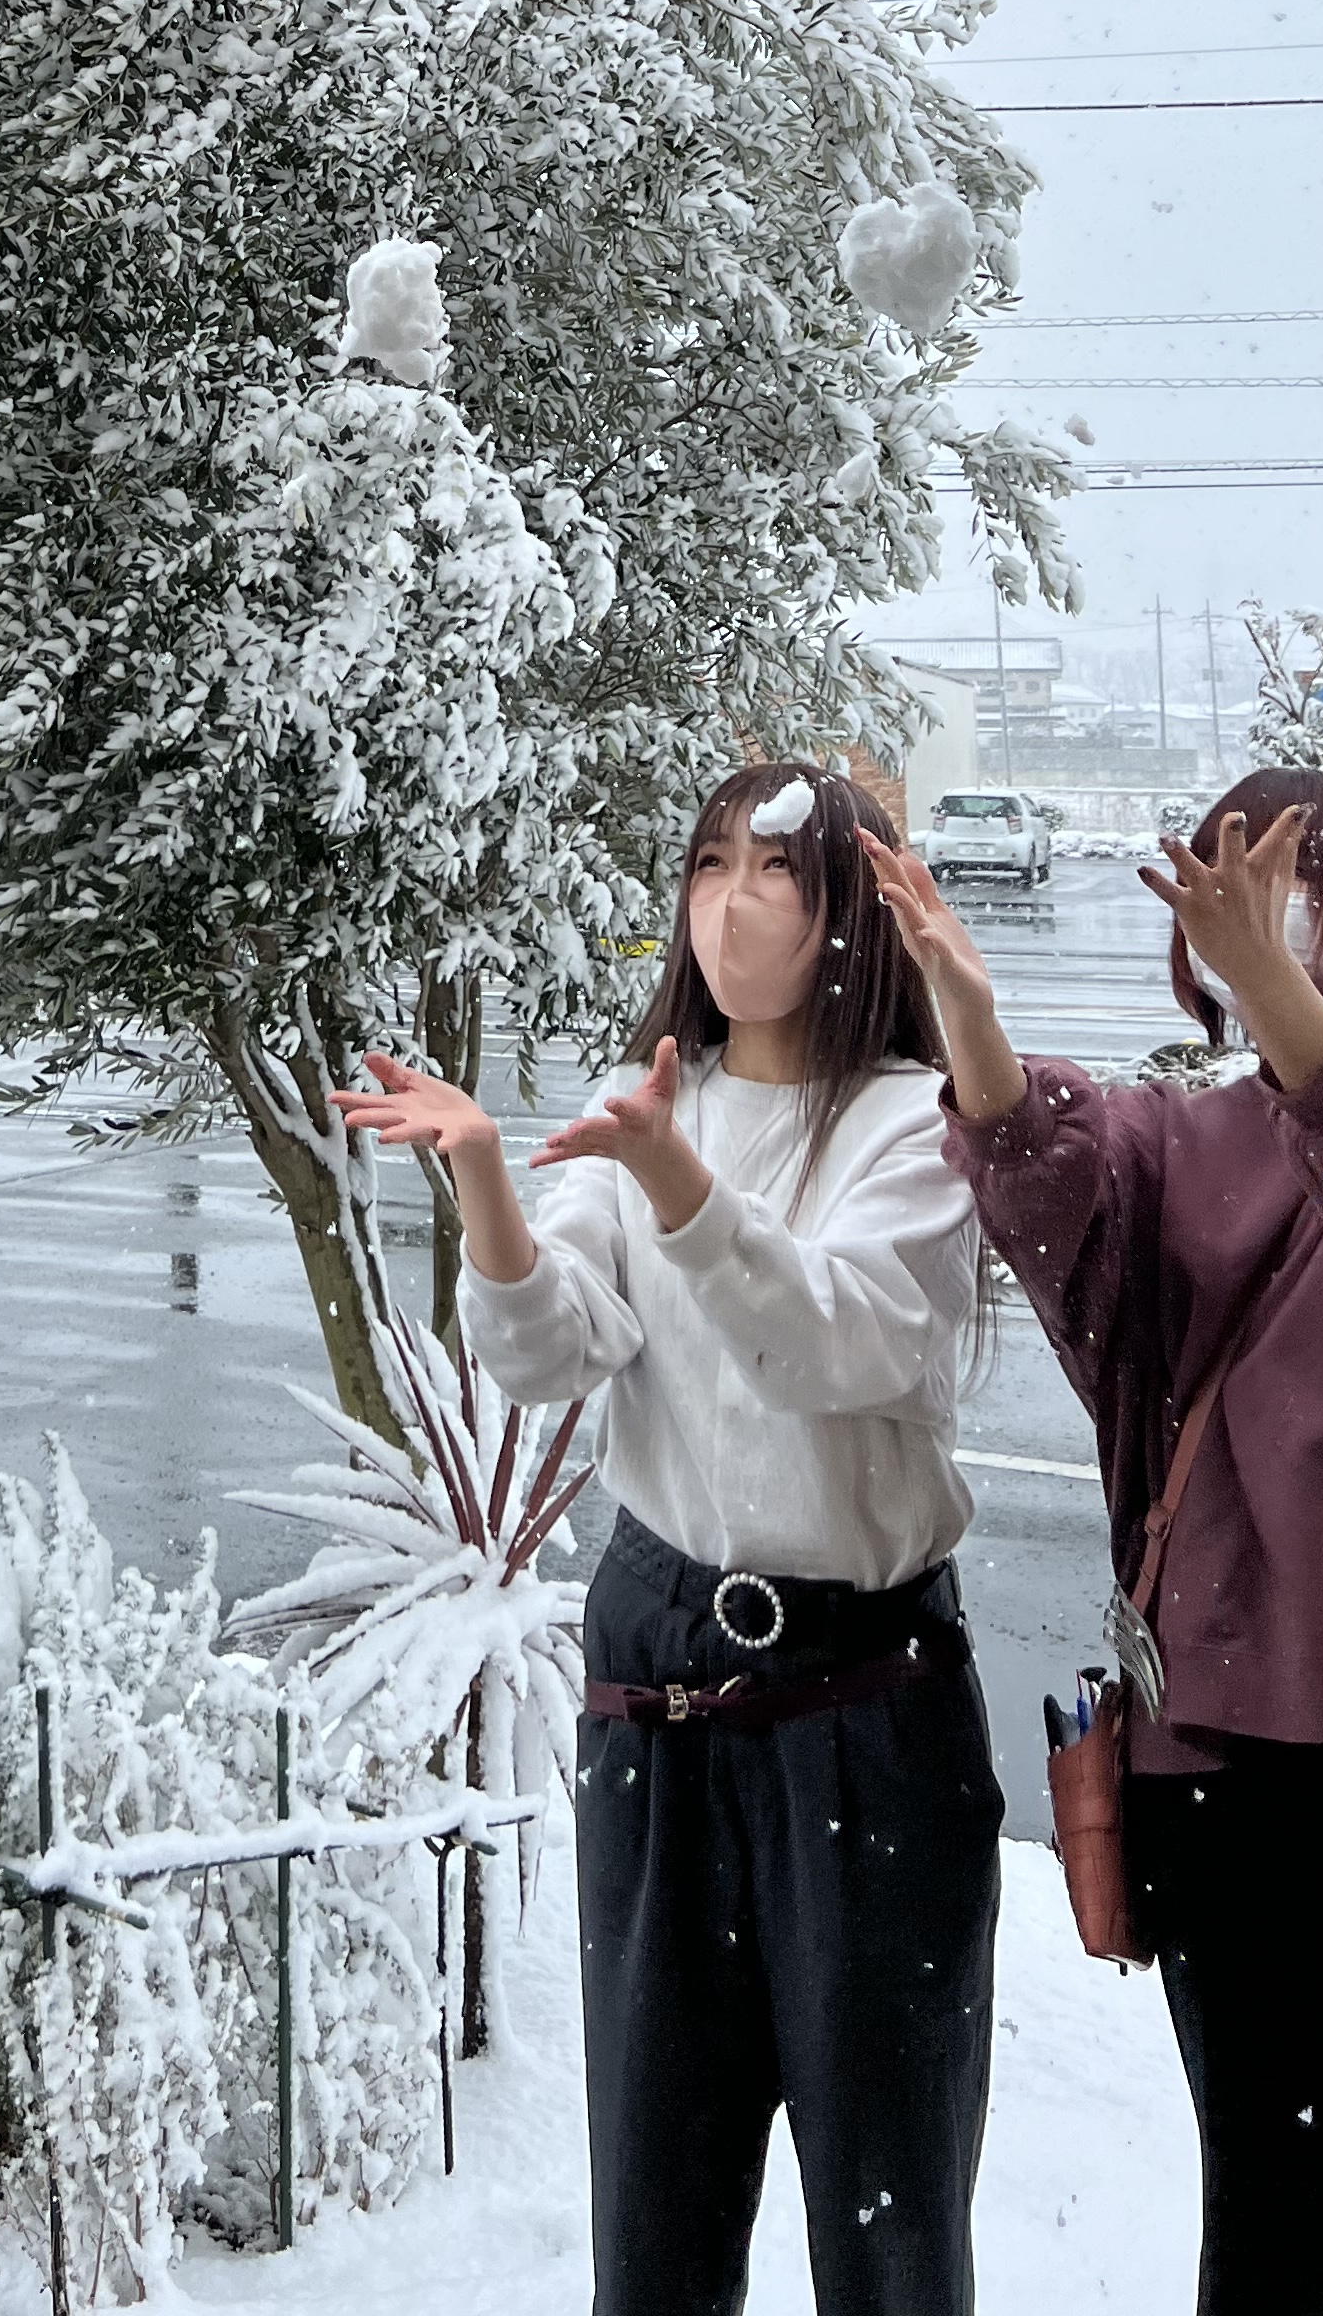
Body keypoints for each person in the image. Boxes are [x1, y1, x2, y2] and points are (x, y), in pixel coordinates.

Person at [868, 770, 1323, 2316]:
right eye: (1227, 876)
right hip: (1233, 1786)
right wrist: (967, 1013)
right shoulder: (1168, 1147)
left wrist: (1273, 978)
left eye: (1293, 882)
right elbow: (1047, 1179)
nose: (1249, 902)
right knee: (1269, 2252)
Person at [339, 765, 1000, 2316]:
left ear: (851, 920)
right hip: (661, 1684)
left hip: (865, 1697)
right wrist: (492, 1177)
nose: (727, 902)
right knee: (657, 2213)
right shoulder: (656, 1102)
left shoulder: (919, 1124)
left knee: (889, 2221)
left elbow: (837, 1342)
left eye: (774, 874)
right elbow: (547, 1352)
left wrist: (672, 1178)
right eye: (707, 866)